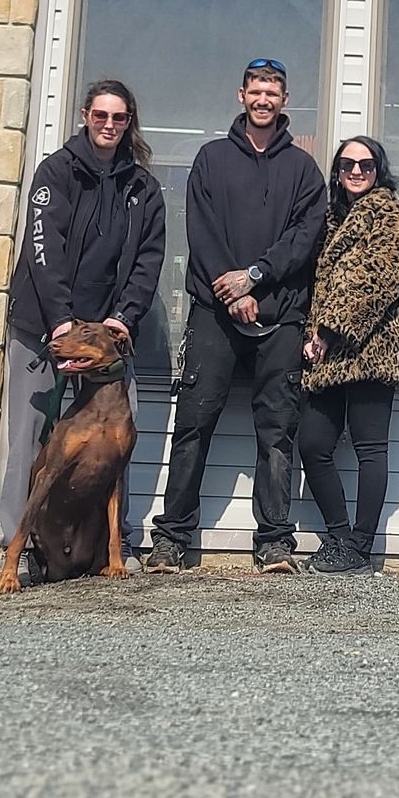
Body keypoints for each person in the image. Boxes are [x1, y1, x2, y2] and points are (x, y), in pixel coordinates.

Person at [144, 58, 327, 574]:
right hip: (215, 317)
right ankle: (171, 538)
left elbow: (303, 238)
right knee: (194, 425)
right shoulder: (211, 159)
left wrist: (256, 276)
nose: (264, 99)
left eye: (273, 92)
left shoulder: (304, 171)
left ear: (285, 101)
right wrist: (232, 288)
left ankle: (274, 542)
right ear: (241, 95)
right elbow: (200, 233)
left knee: (277, 431)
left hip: (281, 317)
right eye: (256, 91)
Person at [0, 77, 165, 559]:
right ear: (86, 117)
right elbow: (42, 249)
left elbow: (149, 261)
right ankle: (18, 544)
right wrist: (60, 320)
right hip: (46, 327)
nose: (109, 124)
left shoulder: (143, 188)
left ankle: (110, 546)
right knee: (29, 439)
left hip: (106, 337)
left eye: (119, 117)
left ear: (129, 123)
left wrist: (124, 317)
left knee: (114, 444)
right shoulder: (56, 172)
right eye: (100, 115)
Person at [297, 135, 399, 575]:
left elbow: (377, 280)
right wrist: (313, 334)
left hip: (371, 349)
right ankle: (340, 536)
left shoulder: (392, 215)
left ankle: (361, 547)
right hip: (324, 354)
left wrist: (329, 331)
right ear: (337, 171)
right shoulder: (329, 220)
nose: (356, 172)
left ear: (378, 169)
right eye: (347, 165)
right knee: (313, 442)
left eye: (366, 165)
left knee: (370, 447)